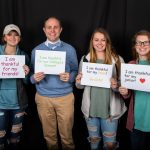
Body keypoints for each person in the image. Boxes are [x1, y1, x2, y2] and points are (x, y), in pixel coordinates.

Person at [30, 16, 78, 150]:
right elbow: (30, 75)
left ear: (61, 30)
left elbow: (75, 71)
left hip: (65, 98)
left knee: (67, 137)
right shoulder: (36, 51)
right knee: (49, 137)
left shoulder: (69, 49)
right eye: (49, 27)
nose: (52, 30)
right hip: (43, 98)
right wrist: (34, 78)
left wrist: (70, 77)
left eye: (55, 27)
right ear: (44, 30)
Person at [75, 28, 127, 150]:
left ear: (107, 42)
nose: (99, 43)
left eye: (103, 40)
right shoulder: (85, 59)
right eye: (96, 40)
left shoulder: (118, 60)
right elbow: (80, 86)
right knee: (94, 144)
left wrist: (116, 86)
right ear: (92, 42)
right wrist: (78, 81)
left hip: (110, 112)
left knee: (109, 145)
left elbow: (124, 87)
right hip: (91, 111)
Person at [0, 24, 30, 150]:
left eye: (16, 35)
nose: (13, 37)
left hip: (18, 104)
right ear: (4, 38)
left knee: (15, 138)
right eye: (9, 34)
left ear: (20, 38)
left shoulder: (24, 56)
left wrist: (27, 74)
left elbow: (27, 82)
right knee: (0, 139)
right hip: (0, 104)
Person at [119, 30, 150, 150]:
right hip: (136, 120)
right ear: (135, 46)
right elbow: (127, 95)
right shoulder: (130, 65)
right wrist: (125, 92)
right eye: (139, 43)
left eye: (145, 42)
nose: (142, 46)